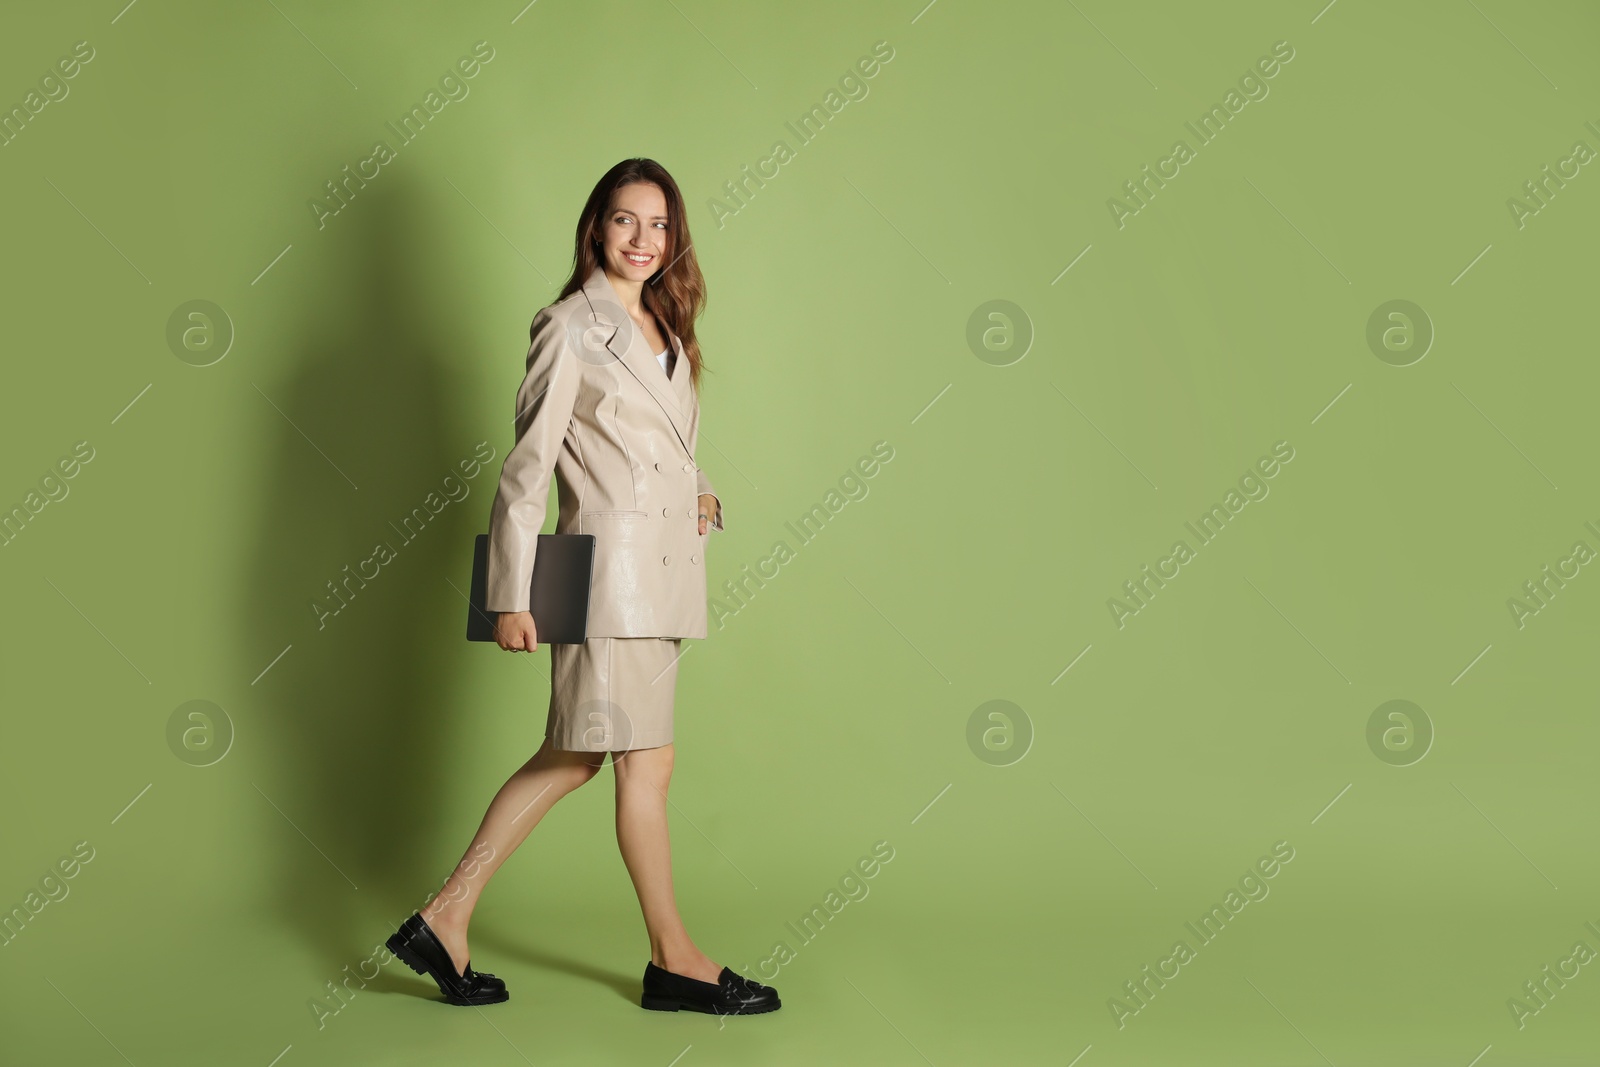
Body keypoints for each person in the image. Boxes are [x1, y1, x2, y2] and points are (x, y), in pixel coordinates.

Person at [385, 159, 779, 1017]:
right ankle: (675, 960)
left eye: (660, 225)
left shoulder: (667, 325)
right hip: (608, 580)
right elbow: (528, 468)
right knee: (637, 762)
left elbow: (652, 442)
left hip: (659, 575)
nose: (643, 240)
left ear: (675, 239)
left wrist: (699, 484)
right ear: (595, 227)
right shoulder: (569, 326)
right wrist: (510, 595)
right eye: (624, 221)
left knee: (581, 756)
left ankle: (443, 917)